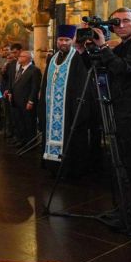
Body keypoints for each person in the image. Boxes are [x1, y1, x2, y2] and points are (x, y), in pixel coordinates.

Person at [78, 7, 131, 235]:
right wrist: (84, 50)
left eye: (126, 21)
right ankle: (124, 208)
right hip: (118, 108)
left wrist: (104, 46)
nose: (121, 25)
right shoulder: (122, 47)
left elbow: (123, 69)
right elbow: (100, 69)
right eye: (117, 22)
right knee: (120, 164)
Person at [41, 25, 91, 176]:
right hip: (51, 109)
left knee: (71, 140)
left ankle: (68, 171)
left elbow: (83, 84)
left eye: (67, 40)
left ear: (73, 40)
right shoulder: (53, 57)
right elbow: (45, 83)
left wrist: (78, 110)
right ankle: (51, 168)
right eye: (60, 40)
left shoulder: (77, 57)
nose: (63, 43)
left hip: (68, 110)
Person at [8, 49, 41, 146]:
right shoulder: (20, 69)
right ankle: (21, 139)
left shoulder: (34, 70)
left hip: (26, 101)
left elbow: (35, 87)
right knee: (19, 121)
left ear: (28, 58)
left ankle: (30, 141)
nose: (19, 57)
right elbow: (14, 83)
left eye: (22, 56)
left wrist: (31, 101)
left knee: (29, 122)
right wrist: (11, 93)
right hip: (16, 100)